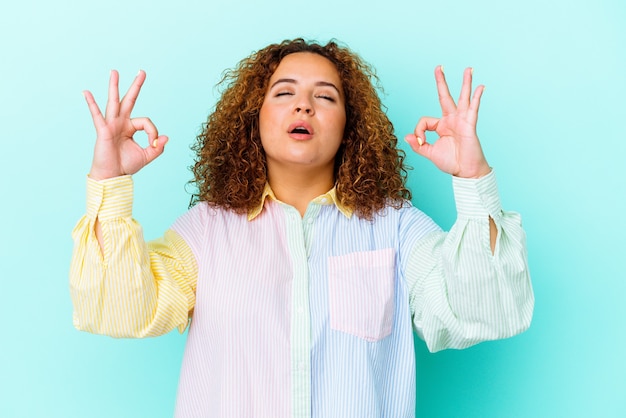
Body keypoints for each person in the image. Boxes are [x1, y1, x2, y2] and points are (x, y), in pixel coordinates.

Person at [70, 38, 534, 418]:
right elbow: (123, 310)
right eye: (284, 92)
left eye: (325, 96)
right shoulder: (206, 231)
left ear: (351, 125)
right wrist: (110, 180)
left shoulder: (395, 227)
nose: (304, 107)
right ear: (254, 117)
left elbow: (483, 310)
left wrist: (473, 179)